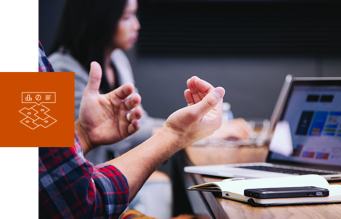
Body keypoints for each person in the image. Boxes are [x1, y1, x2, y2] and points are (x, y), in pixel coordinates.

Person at [38, 40, 226, 218]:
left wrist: (84, 135)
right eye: (127, 16)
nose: (136, 25)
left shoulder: (118, 59)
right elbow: (80, 205)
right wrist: (175, 135)